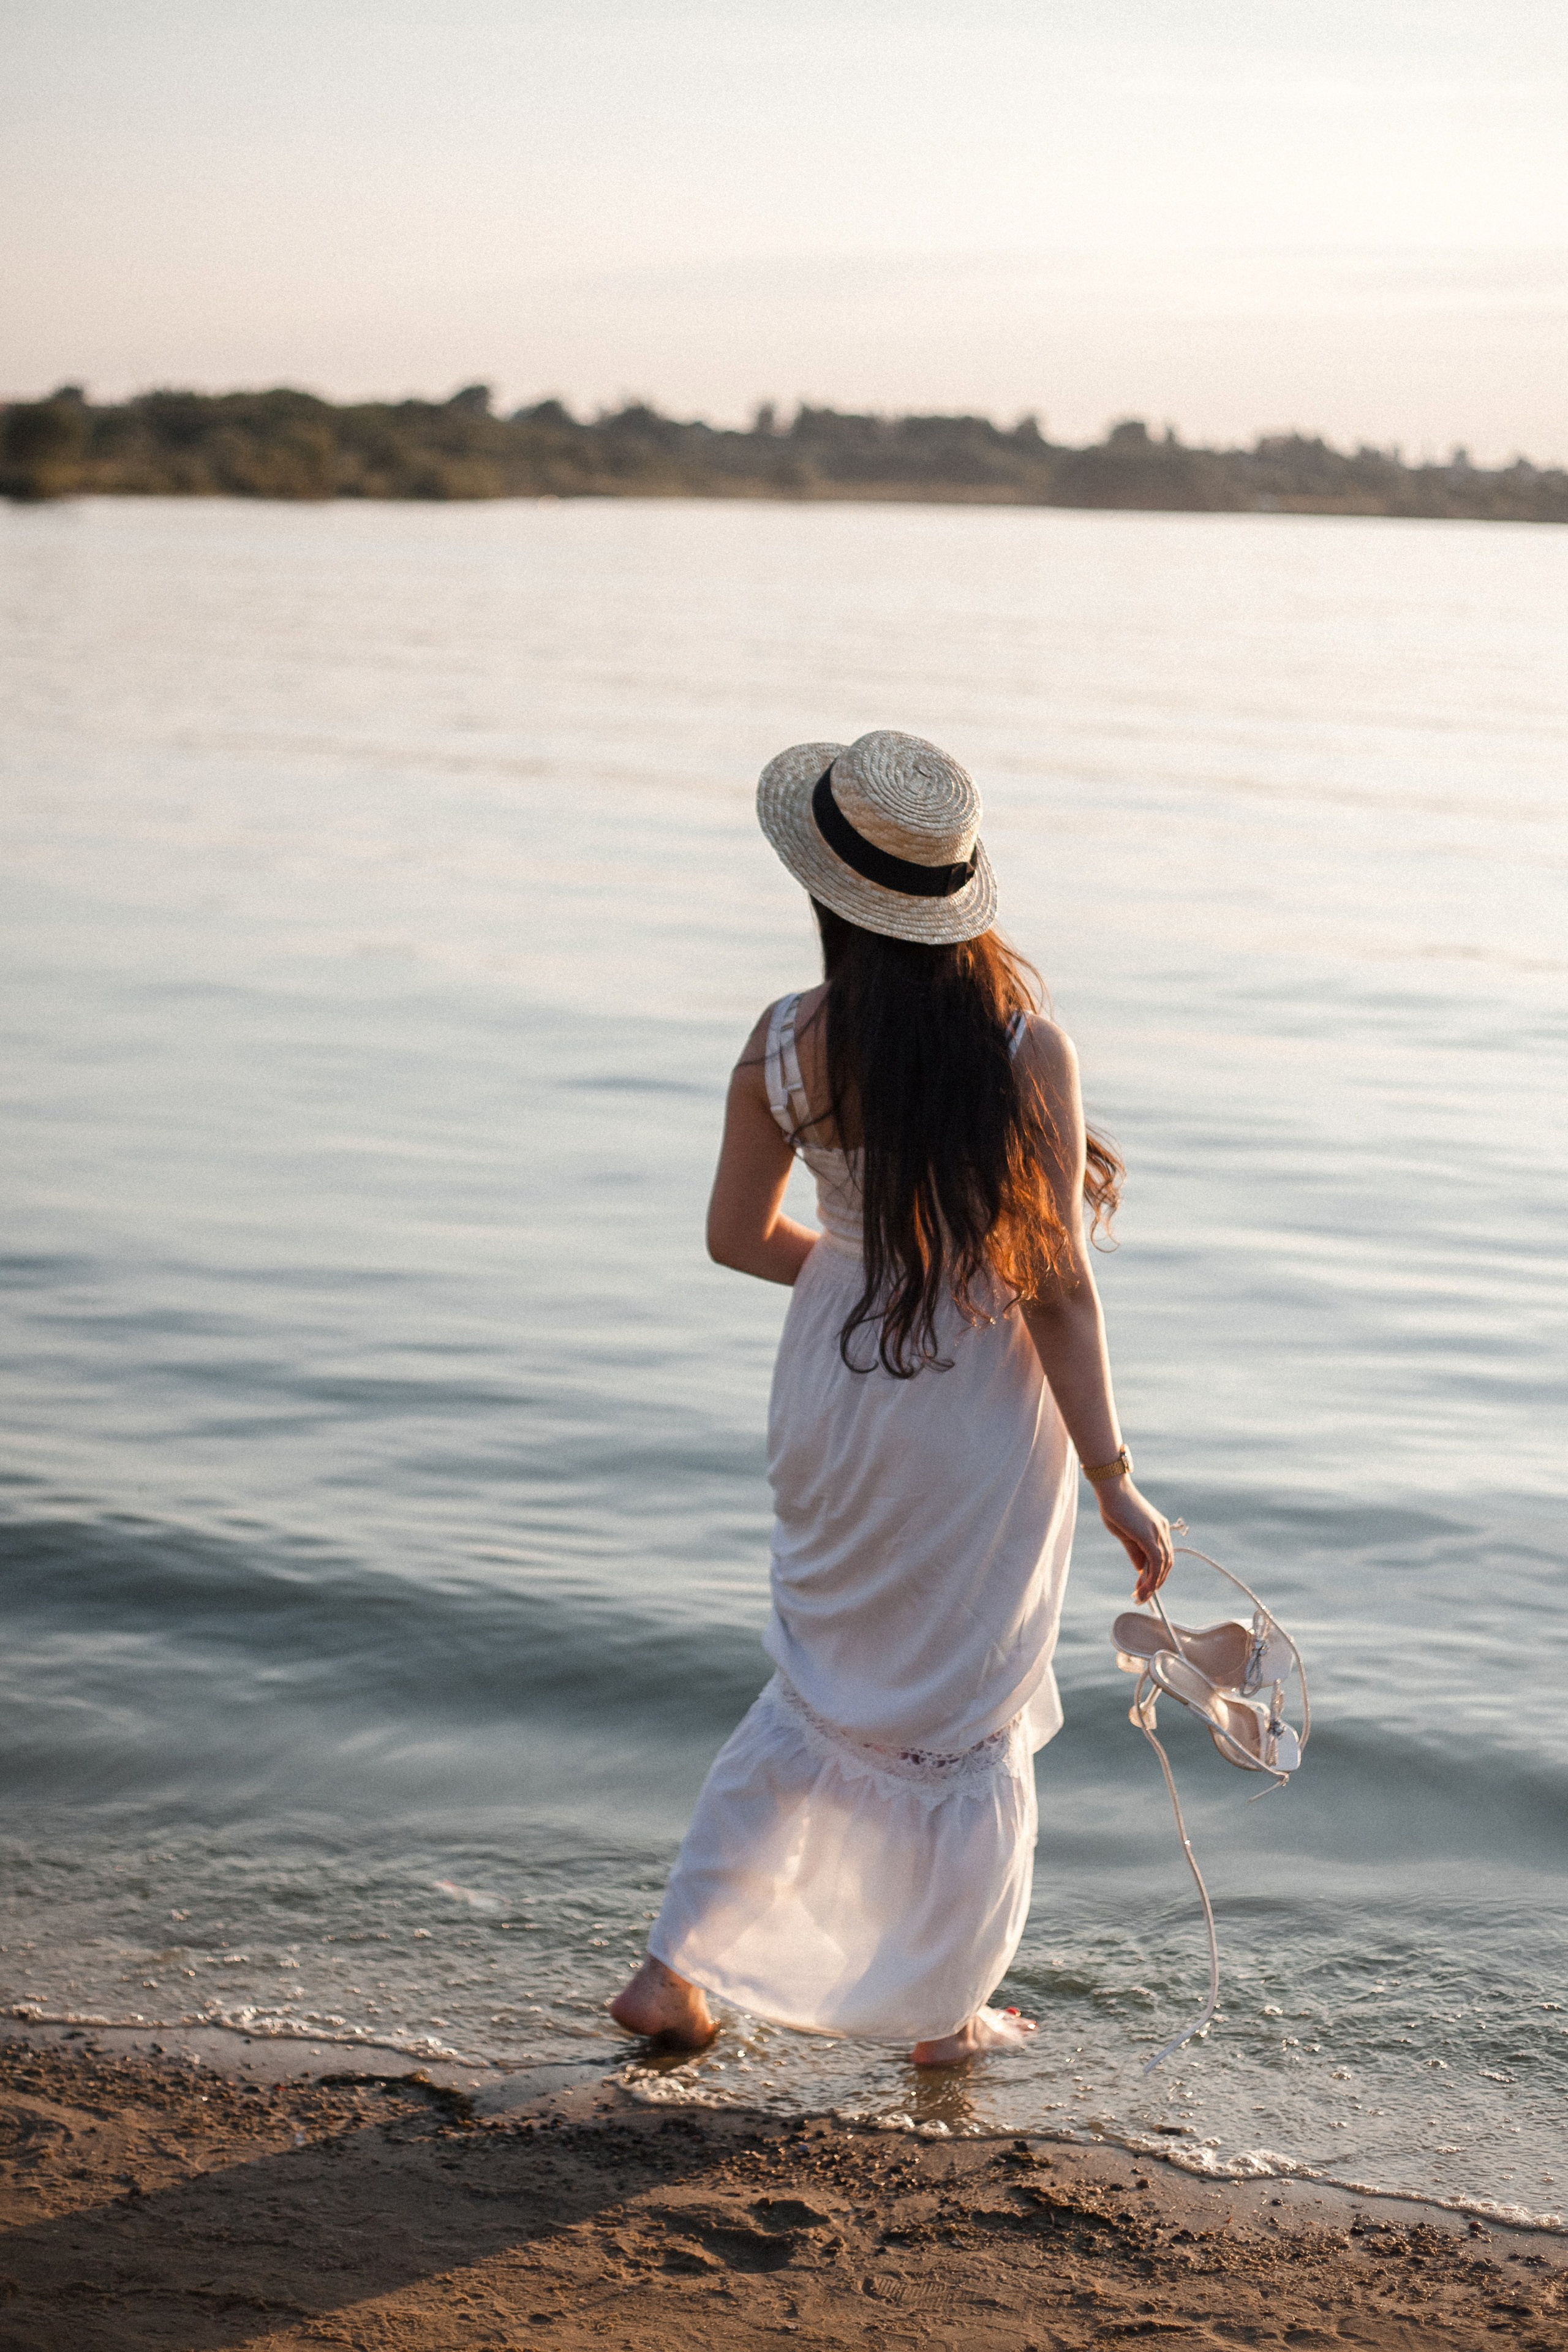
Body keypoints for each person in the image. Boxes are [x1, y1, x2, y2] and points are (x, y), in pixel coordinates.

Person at [611, 730, 1171, 2066]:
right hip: (975, 1409)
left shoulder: (782, 1043)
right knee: (965, 1706)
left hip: (832, 1386)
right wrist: (1111, 1476)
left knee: (818, 1684)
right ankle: (941, 2010)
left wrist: (857, 1275)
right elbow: (1056, 1292)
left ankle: (671, 1971)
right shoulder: (1024, 1050)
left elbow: (736, 1237)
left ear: (825, 894)